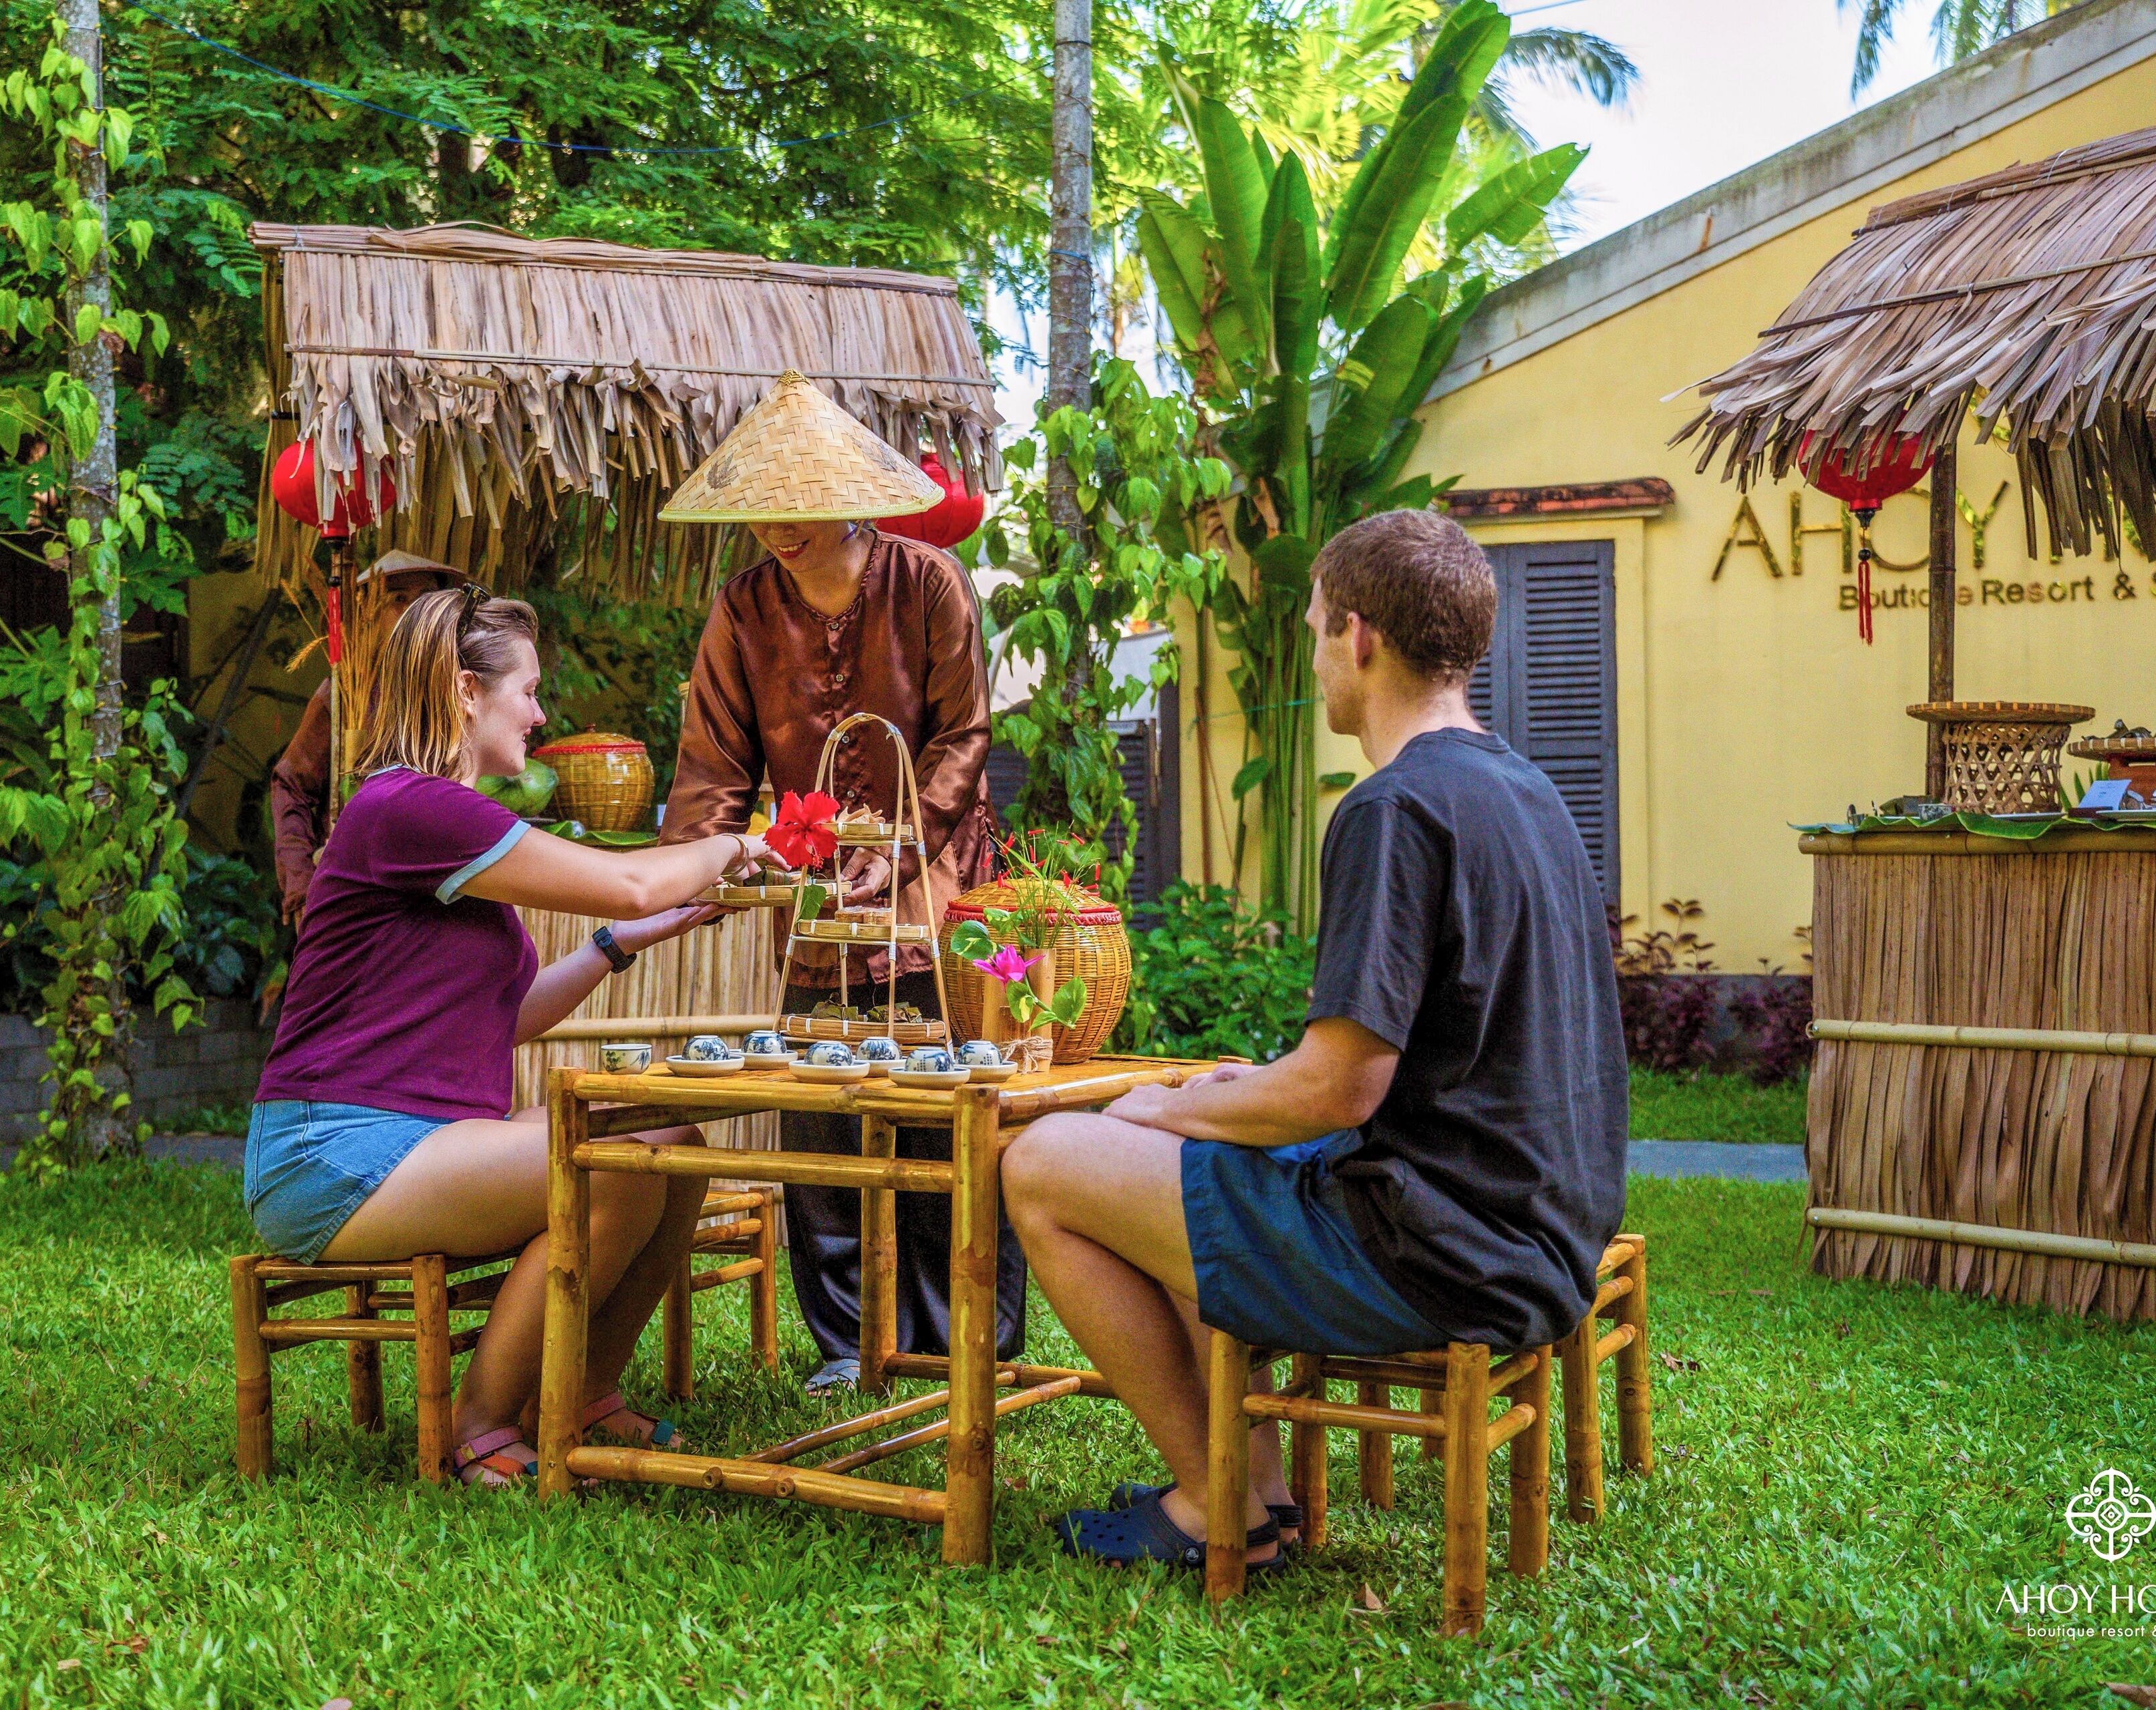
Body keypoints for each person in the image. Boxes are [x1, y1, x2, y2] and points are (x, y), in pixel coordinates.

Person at [1000, 509, 1629, 1572]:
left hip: (1444, 1254)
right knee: (1200, 1157)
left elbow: (1339, 1090)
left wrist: (1170, 1103)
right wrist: (1233, 1101)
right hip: (1537, 1237)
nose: (1317, 655)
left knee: (1046, 1163)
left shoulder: (1395, 808)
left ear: (1361, 636)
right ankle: (1252, 1489)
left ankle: (1218, 1507)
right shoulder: (1527, 790)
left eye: (1313, 629)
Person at [245, 584, 774, 1486]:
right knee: (610, 1164)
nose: (539, 713)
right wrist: (733, 843)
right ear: (463, 692)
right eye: (527, 690)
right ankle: (480, 1426)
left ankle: (586, 1392)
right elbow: (639, 881)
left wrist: (616, 947)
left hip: (421, 1141)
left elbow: (504, 1015)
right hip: (332, 1152)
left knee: (671, 1148)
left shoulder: (436, 825)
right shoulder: (408, 808)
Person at [655, 371, 1022, 1392]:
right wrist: (696, 873)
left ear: (845, 496)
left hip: (937, 871)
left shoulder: (929, 582)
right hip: (811, 880)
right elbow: (714, 762)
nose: (777, 528)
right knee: (819, 1096)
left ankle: (964, 1334)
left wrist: (902, 850)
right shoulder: (741, 606)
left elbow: (965, 736)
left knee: (938, 1096)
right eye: (760, 510)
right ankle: (848, 1340)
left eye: (796, 508)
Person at [268, 551, 466, 922]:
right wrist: (301, 889)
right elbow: (290, 784)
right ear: (370, 615)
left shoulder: (462, 690)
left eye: (424, 598)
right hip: (353, 898)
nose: (411, 612)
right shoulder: (345, 693)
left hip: (443, 897)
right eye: (397, 600)